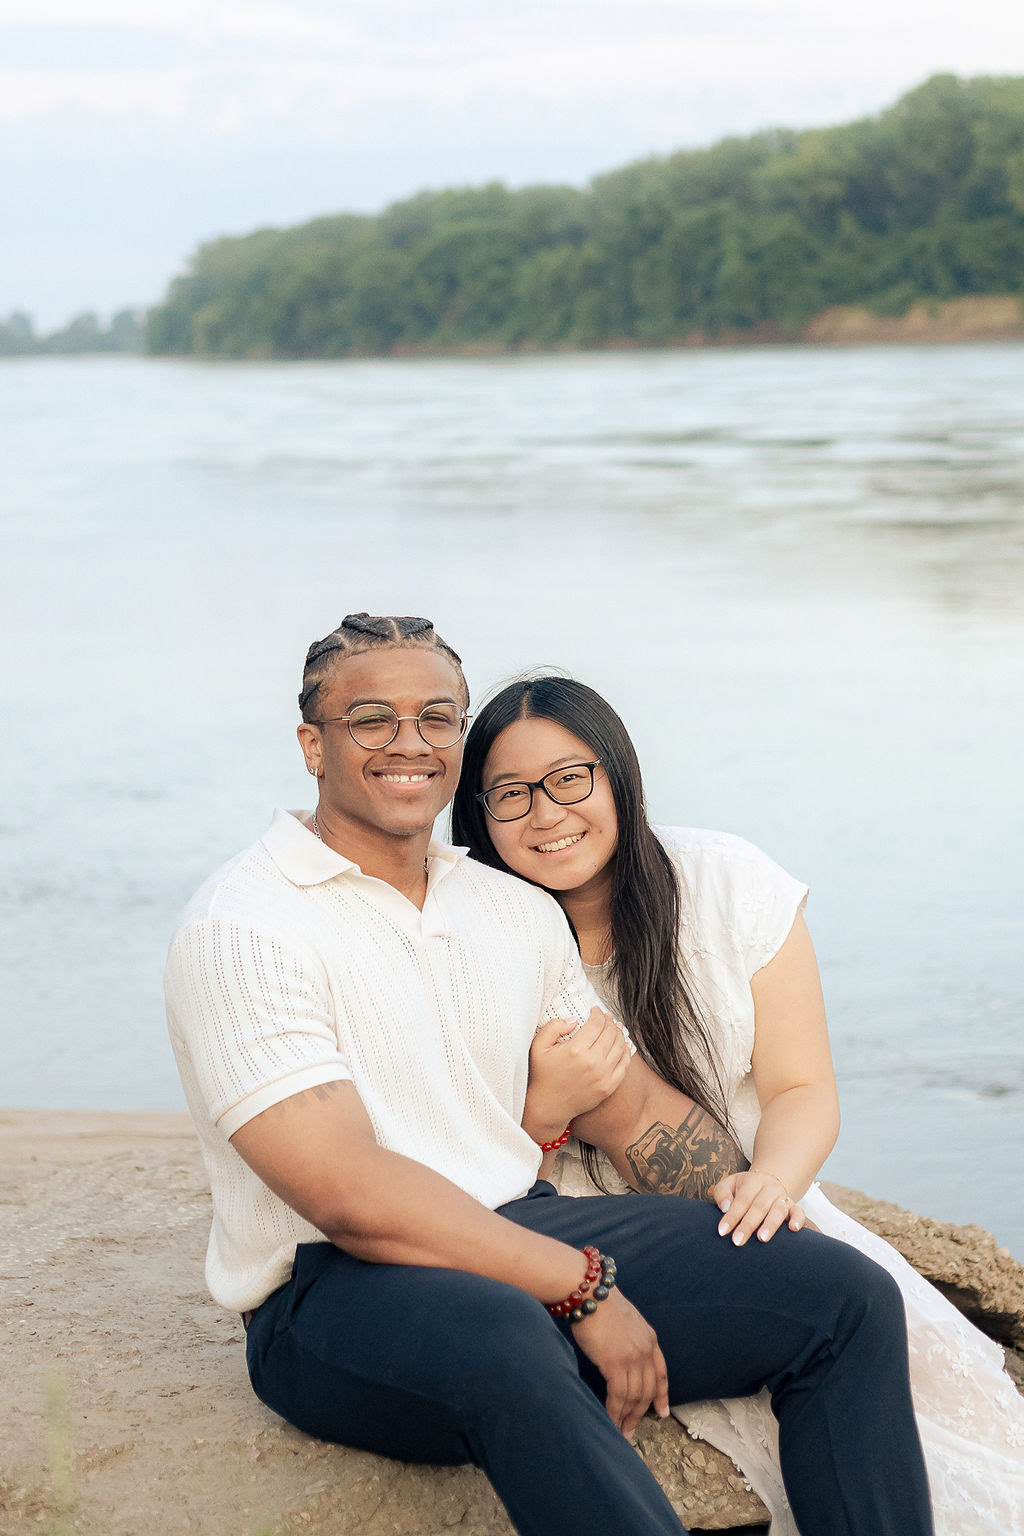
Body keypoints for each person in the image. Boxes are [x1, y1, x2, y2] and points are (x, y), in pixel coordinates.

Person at [165, 613, 936, 1536]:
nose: (409, 743)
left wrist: (751, 1198)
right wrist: (582, 1287)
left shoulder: (509, 909)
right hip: (332, 1293)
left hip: (520, 1227)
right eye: (372, 720)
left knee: (839, 1293)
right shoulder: (244, 926)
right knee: (505, 1333)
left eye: (436, 718)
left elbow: (630, 1110)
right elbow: (347, 1193)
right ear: (312, 746)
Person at [450, 672, 1024, 1536]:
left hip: (745, 1199)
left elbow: (803, 1088)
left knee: (941, 1418)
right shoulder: (467, 938)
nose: (546, 813)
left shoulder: (725, 884)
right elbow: (455, 1168)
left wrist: (775, 1181)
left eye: (570, 779)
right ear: (480, 815)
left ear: (619, 775)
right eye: (511, 793)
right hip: (564, 1230)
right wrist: (543, 1114)